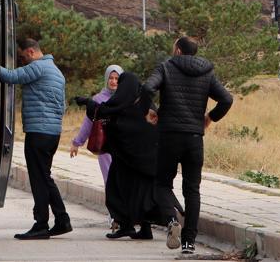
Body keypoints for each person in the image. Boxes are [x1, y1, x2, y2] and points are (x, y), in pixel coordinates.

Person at [143, 36, 233, 256]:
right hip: (194, 138)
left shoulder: (166, 67)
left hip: (169, 135)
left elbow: (146, 88)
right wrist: (210, 117)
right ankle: (189, 242)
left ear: (178, 51)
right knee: (192, 189)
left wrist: (151, 111)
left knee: (162, 184)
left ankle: (172, 220)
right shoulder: (207, 72)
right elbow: (227, 99)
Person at [0, 38, 71, 240]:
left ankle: (41, 224)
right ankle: (62, 220)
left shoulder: (38, 67)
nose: (22, 61)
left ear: (30, 52)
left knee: (39, 179)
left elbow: (9, 76)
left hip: (38, 132)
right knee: (45, 177)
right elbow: (63, 107)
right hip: (53, 133)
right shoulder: (57, 72)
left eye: (22, 57)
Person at [77, 71, 159, 240]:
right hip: (145, 161)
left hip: (126, 161)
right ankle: (145, 229)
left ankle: (126, 226)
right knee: (141, 195)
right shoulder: (147, 104)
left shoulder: (121, 104)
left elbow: (102, 112)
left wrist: (88, 102)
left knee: (117, 191)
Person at [70, 65, 123, 184]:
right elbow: (88, 123)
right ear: (106, 79)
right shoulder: (98, 99)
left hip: (123, 147)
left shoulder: (126, 98)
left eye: (117, 78)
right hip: (105, 147)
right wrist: (76, 143)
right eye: (111, 78)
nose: (113, 81)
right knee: (110, 181)